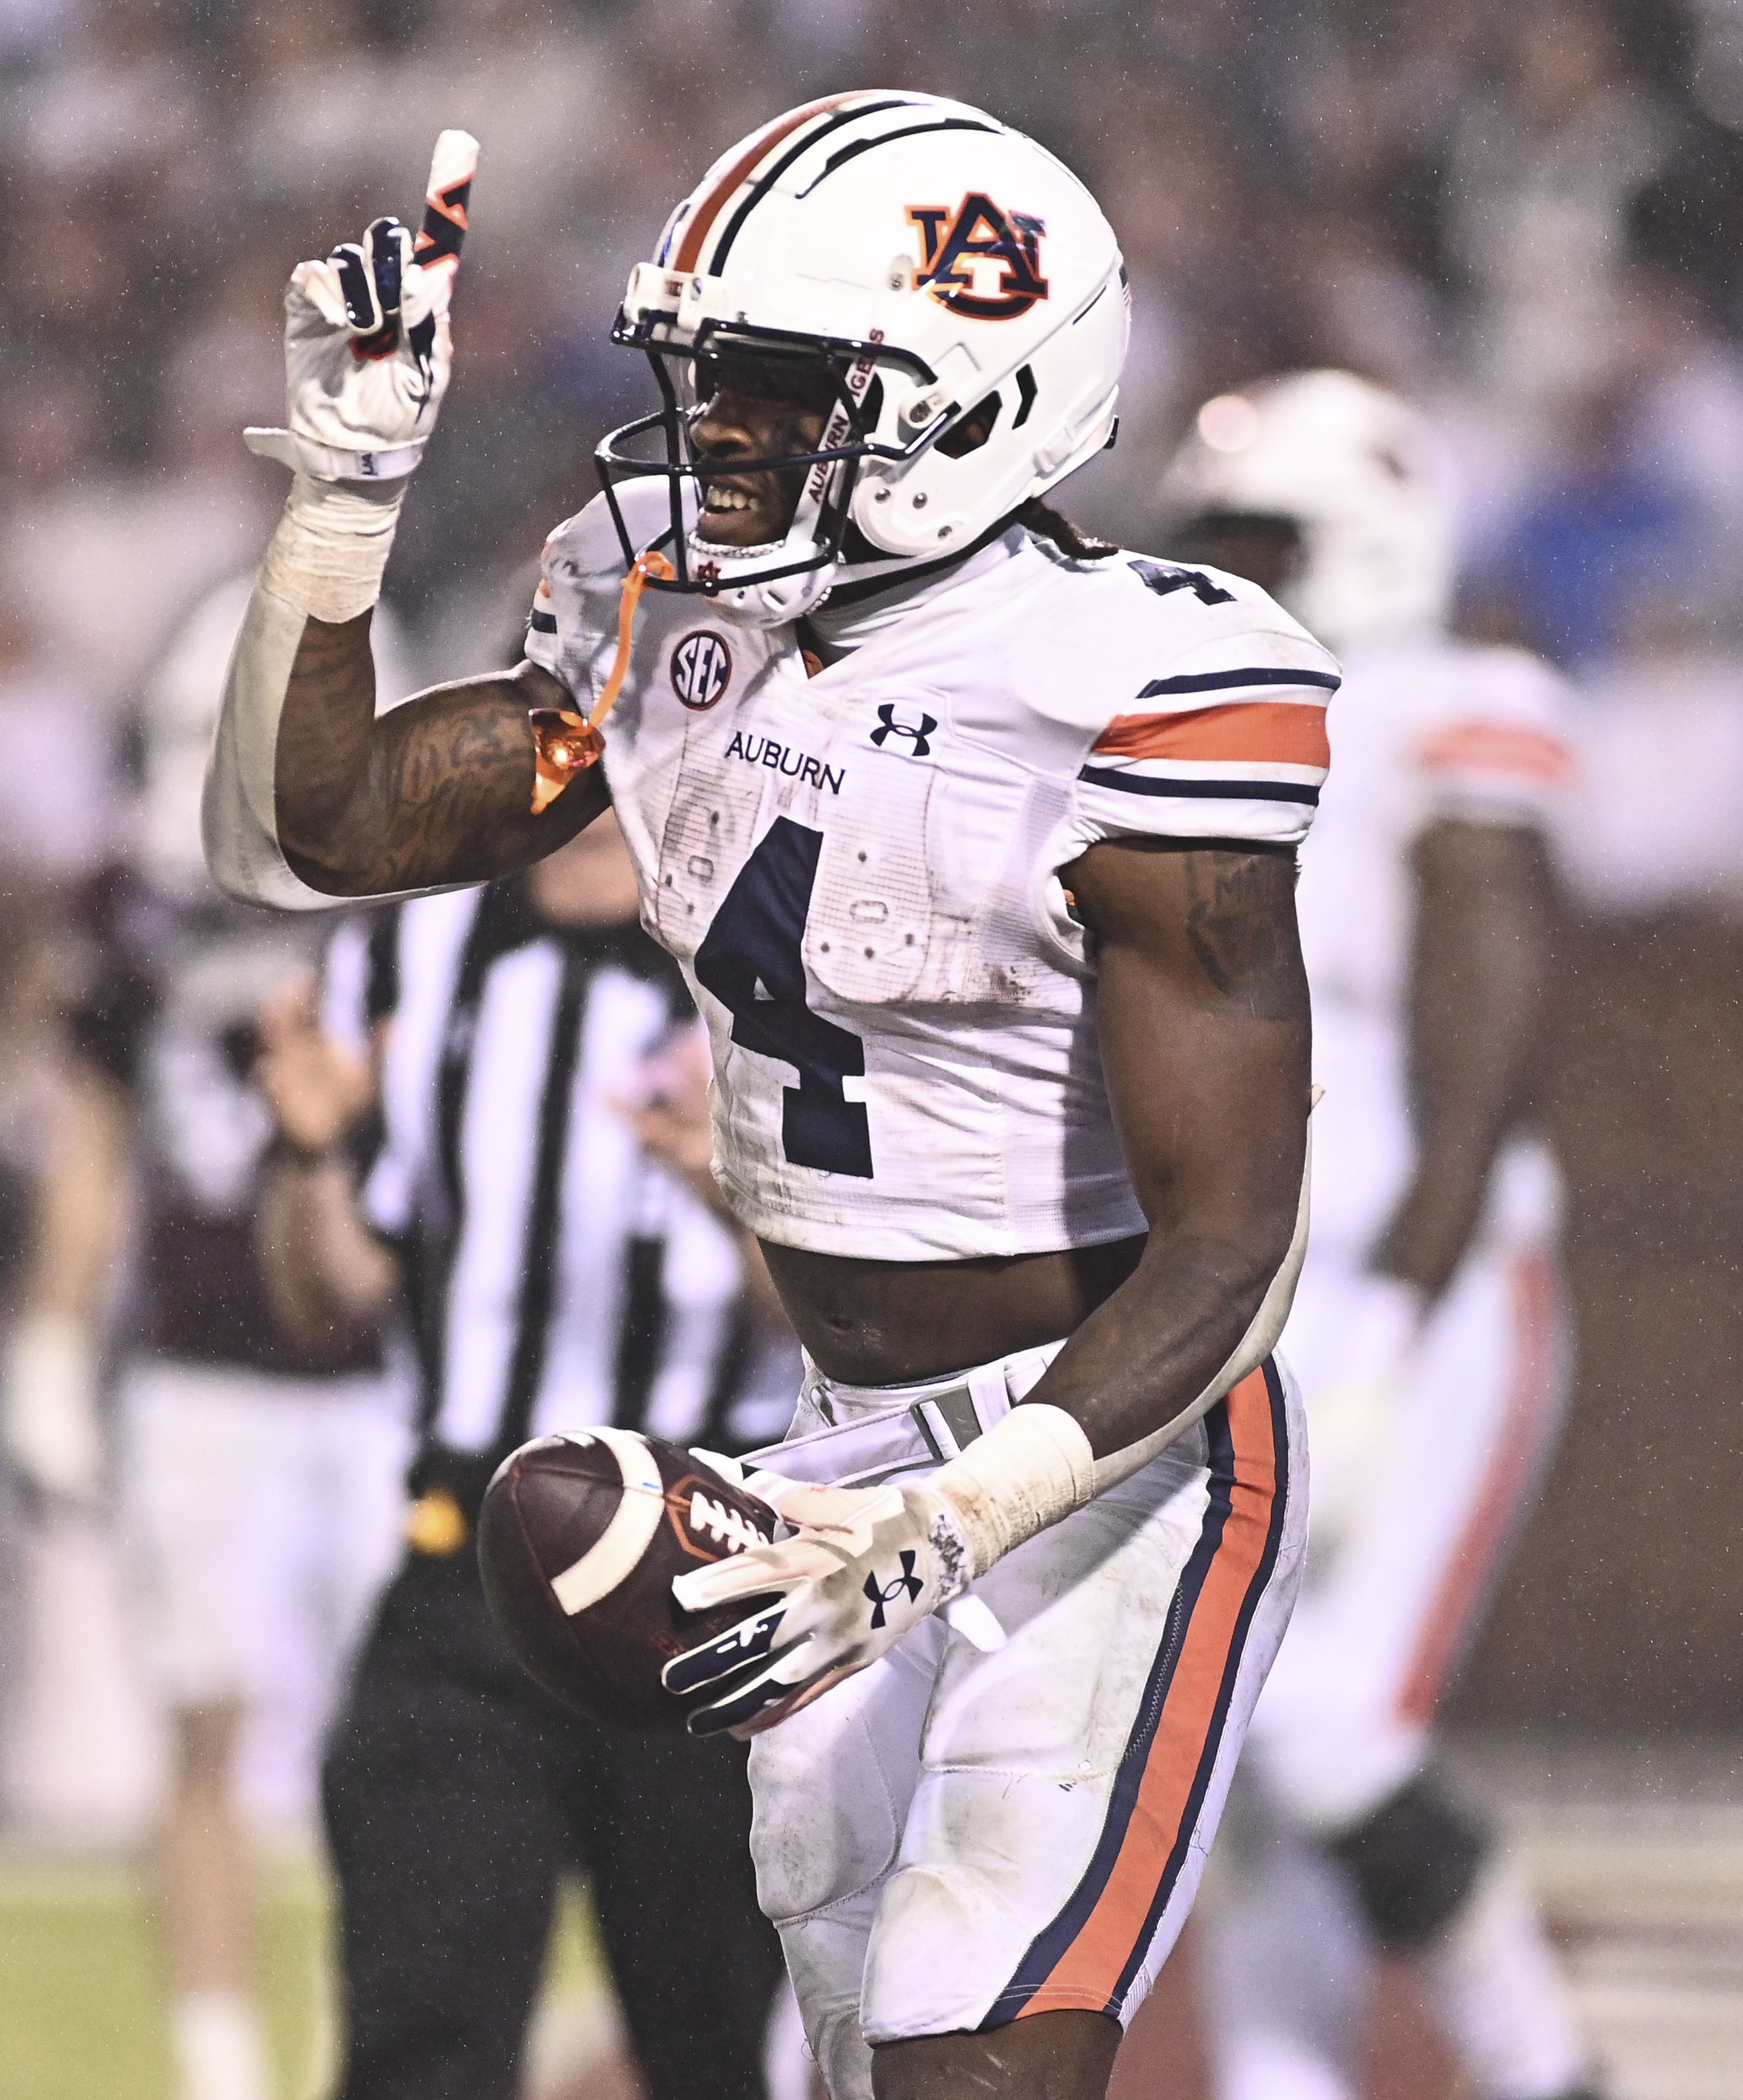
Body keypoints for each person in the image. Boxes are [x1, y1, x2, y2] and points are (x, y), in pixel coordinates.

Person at [208, 98, 1321, 2100]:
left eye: (780, 387)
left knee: (961, 2033)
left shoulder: (1133, 685)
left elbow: (1233, 1243)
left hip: (1104, 1457)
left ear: (973, 401)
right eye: (704, 374)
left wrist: (946, 1522)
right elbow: (319, 824)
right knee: (834, 2060)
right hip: (824, 1444)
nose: (713, 426)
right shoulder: (662, 594)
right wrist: (346, 493)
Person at [1152, 375, 1604, 2100]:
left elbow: (1489, 1037)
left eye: (1257, 539)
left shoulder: (1447, 706)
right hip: (1246, 1293)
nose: (1220, 573)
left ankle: (1555, 2074)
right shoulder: (1201, 721)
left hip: (1416, 1283)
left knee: (1332, 1733)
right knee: (1248, 1754)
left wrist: (1396, 1325)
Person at [252, 809, 795, 2100]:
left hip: (705, 1584)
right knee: (417, 2037)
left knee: (714, 2043)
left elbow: (856, 1321)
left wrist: (735, 1190)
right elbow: (327, 1292)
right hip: (465, 1568)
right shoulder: (406, 958)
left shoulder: (777, 964)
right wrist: (312, 1149)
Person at [3, 854, 404, 2100]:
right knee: (206, 1726)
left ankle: (365, 2036)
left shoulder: (408, 881)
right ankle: (217, 2061)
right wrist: (51, 1338)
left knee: (391, 1743)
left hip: (379, 1369)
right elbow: (95, 1134)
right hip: (196, 1364)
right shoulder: (135, 905)